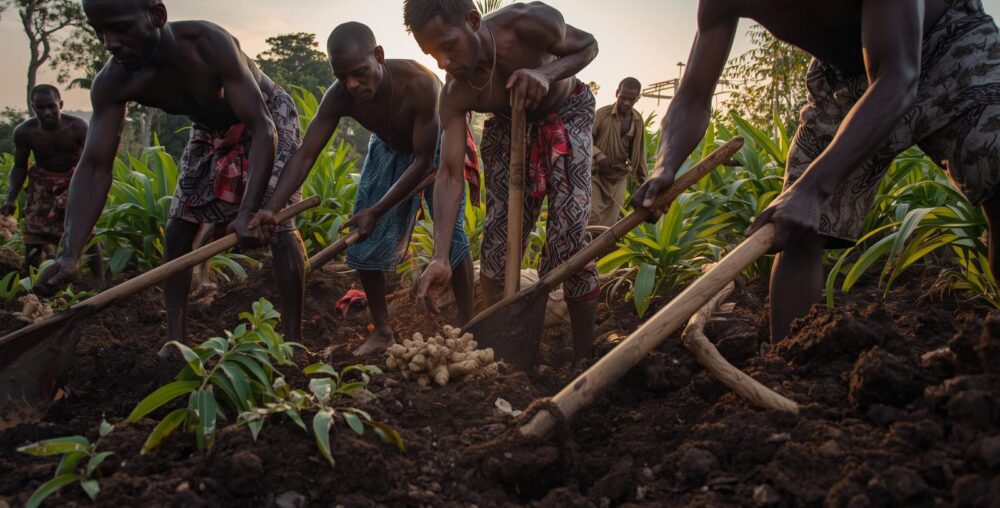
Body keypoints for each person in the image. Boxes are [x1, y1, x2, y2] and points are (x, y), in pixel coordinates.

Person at [632, 0, 1000, 342]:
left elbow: (897, 78)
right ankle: (787, 371)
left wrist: (812, 189)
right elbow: (694, 94)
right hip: (841, 75)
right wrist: (665, 166)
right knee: (794, 228)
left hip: (948, 41)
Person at [35, 0, 306, 343]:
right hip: (209, 129)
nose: (110, 42)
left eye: (120, 28)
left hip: (266, 116)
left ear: (157, 16)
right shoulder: (113, 81)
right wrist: (69, 252)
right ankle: (175, 342)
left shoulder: (208, 43)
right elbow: (94, 166)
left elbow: (263, 129)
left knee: (277, 223)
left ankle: (295, 341)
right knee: (178, 227)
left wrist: (251, 210)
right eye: (100, 31)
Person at [251, 22, 478, 355]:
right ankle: (384, 332)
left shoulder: (421, 85)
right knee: (366, 237)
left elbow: (421, 162)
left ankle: (470, 326)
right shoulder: (340, 95)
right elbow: (306, 153)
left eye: (358, 73)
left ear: (379, 56)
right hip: (387, 146)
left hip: (433, 150)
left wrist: (378, 210)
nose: (351, 84)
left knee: (452, 239)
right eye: (341, 77)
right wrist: (272, 206)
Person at [406, 0, 601, 367]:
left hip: (566, 112)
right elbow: (449, 173)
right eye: (432, 54)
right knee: (496, 246)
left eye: (448, 47)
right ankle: (509, 347)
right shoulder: (455, 92)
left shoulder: (529, 22)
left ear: (473, 21)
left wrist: (548, 73)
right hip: (507, 125)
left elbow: (588, 45)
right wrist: (440, 255)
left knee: (570, 238)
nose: (443, 63)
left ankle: (582, 357)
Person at [2, 85, 102, 277]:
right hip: (42, 182)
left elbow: (88, 164)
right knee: (33, 234)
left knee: (85, 230)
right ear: (33, 107)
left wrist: (84, 192)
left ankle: (100, 285)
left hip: (72, 181)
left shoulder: (78, 127)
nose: (46, 112)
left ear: (60, 104)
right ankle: (29, 283)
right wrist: (11, 198)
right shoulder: (25, 132)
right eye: (40, 108)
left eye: (51, 106)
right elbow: (20, 166)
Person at [590, 77, 647, 227]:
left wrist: (644, 182)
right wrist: (598, 153)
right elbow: (584, 139)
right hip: (596, 175)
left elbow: (639, 155)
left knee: (610, 224)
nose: (626, 103)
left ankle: (601, 251)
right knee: (592, 216)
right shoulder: (602, 114)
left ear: (637, 99)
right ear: (617, 93)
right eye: (623, 98)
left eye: (631, 99)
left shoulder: (638, 121)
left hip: (619, 177)